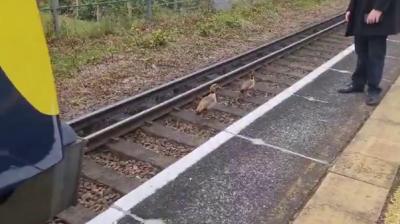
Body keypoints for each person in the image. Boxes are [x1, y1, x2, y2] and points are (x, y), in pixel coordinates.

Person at [338, 0, 400, 105]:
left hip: (377, 12)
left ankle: (373, 89)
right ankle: (358, 83)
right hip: (360, 12)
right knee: (361, 52)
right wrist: (351, 8)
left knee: (375, 55)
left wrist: (379, 8)